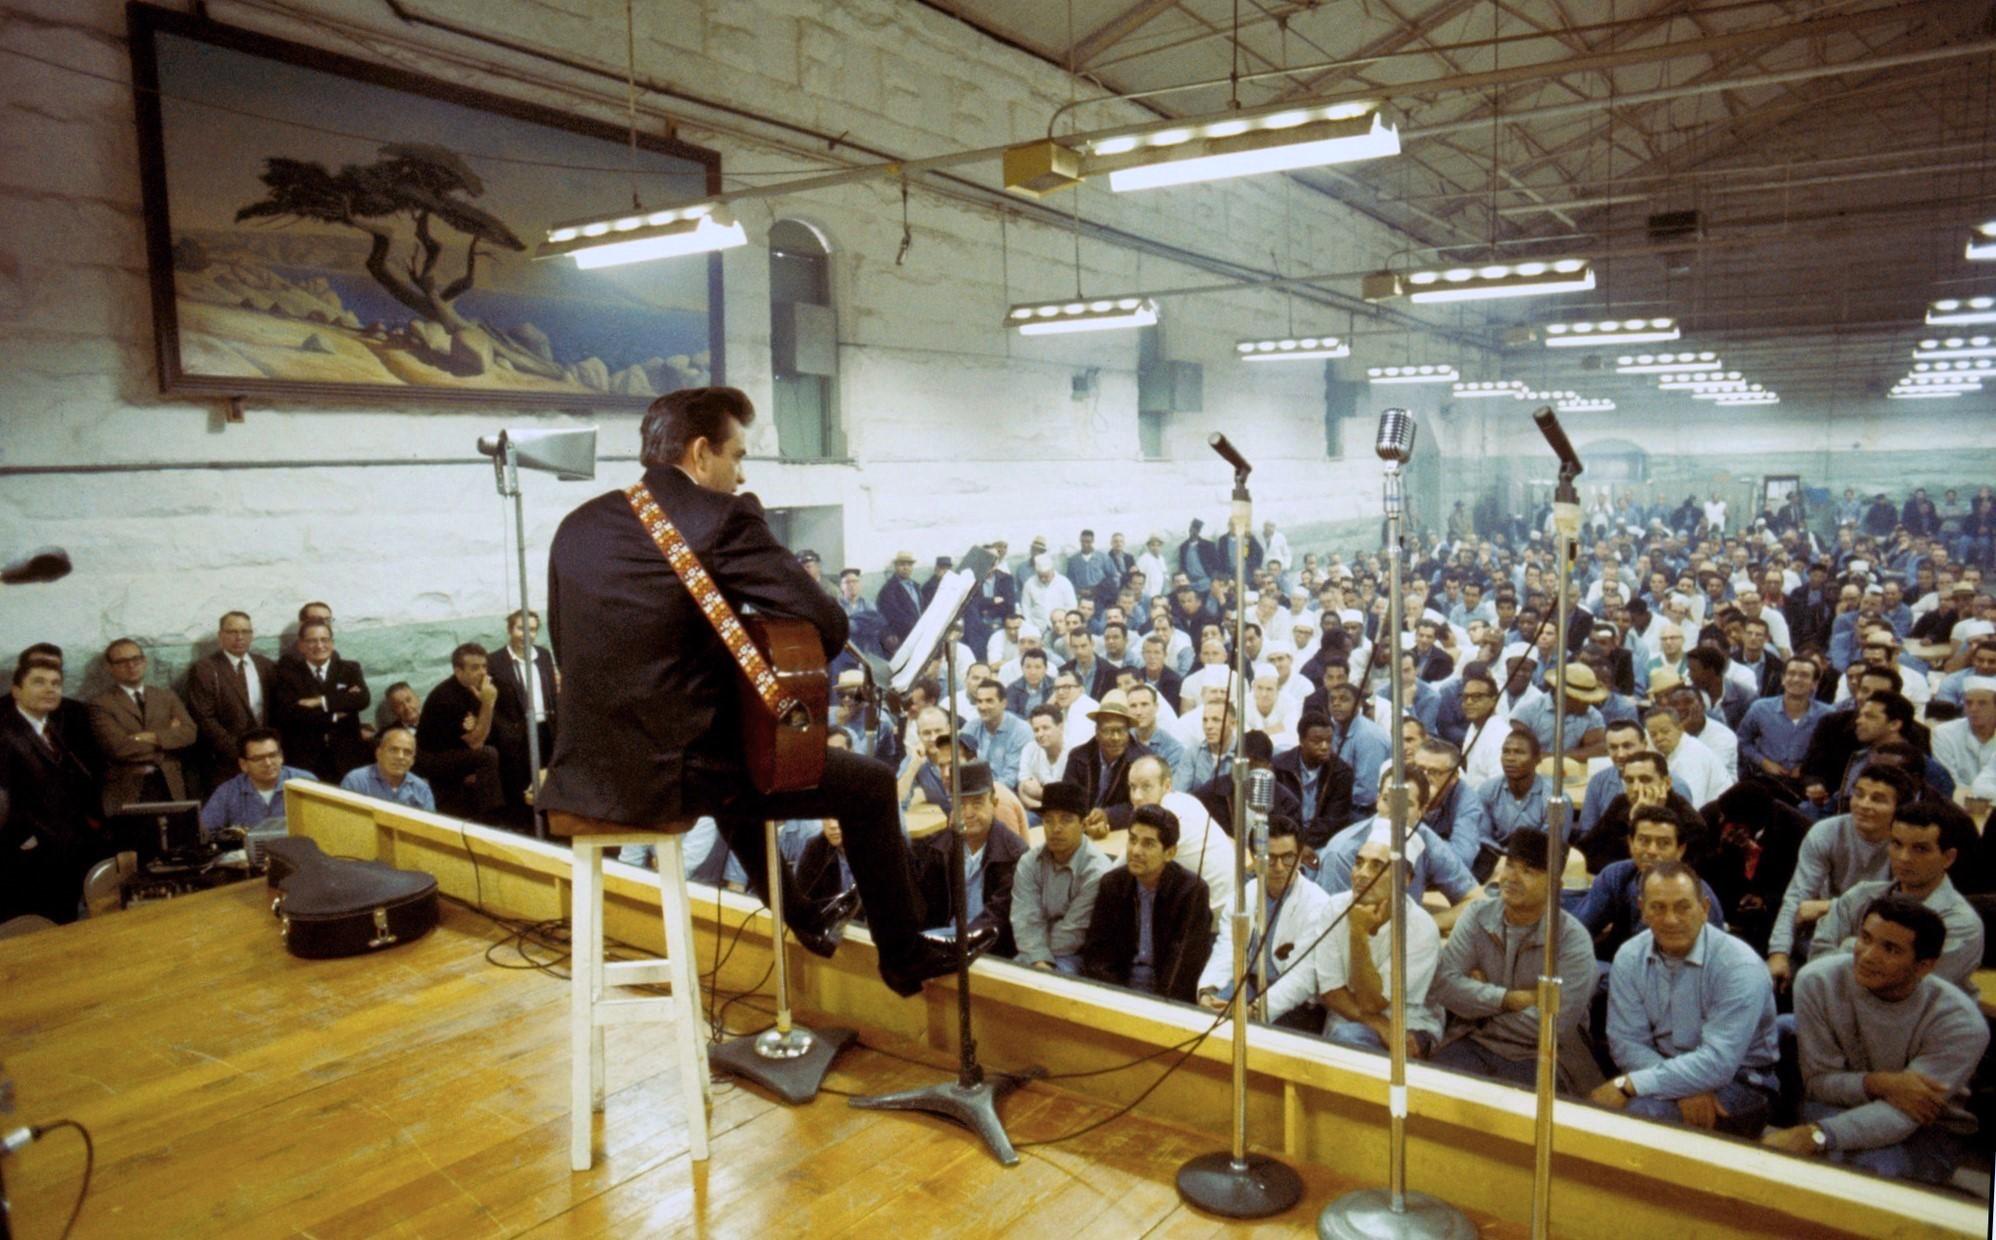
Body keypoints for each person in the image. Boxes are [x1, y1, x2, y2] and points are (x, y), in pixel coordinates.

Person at [538, 387, 970, 998]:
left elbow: (566, 642)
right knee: (869, 785)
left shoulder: (578, 525)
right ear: (699, 452)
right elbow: (828, 623)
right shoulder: (723, 517)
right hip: (672, 774)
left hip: (590, 766)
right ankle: (903, 956)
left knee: (738, 761)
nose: (740, 473)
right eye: (736, 456)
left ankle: (803, 914)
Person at [1763, 897, 1988, 1183]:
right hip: (1838, 1105)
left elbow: (1909, 1112)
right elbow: (1818, 1083)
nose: (1868, 955)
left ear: (1924, 966)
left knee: (1863, 1174)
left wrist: (1818, 1135)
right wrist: (1879, 1083)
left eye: (1890, 949)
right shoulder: (1817, 981)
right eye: (1865, 938)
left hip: (1926, 1130)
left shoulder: (1961, 1023)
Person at [1594, 861, 1780, 1137]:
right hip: (1662, 1064)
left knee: (1643, 1116)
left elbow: (1718, 1063)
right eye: (1658, 907)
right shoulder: (1629, 955)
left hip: (1740, 1080)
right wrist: (1676, 1085)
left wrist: (1633, 1084)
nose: (1670, 919)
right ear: (1642, 909)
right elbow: (1626, 1043)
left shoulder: (1740, 966)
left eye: (1683, 907)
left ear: (1704, 909)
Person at [1430, 828, 1597, 1088]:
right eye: (1510, 866)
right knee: (1436, 1089)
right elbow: (1444, 987)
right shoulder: (1476, 915)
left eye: (1528, 871)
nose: (1512, 878)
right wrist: (1508, 999)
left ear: (1555, 886)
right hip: (1473, 1040)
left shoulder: (1572, 940)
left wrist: (1479, 1006)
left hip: (1545, 1054)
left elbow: (1554, 1026)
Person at [1262, 818, 1440, 1052]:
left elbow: (1372, 1002)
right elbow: (1331, 991)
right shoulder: (1335, 908)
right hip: (1347, 1021)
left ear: (1404, 880)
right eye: (1359, 863)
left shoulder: (1422, 929)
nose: (1362, 874)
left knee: (1348, 1040)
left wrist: (1358, 933)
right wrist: (1376, 1023)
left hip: (1407, 1026)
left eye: (1377, 866)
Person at [1804, 801, 1984, 994]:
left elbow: (1906, 993)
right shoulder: (1861, 895)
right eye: (1897, 844)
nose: (1904, 857)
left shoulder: (1961, 924)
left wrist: (1849, 945)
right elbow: (1817, 963)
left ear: (1948, 858)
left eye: (1920, 849)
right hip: (1838, 1013)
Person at [1766, 763, 1915, 990]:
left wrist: (1828, 906)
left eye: (1877, 799)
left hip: (1881, 942)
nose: (1864, 805)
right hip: (1822, 935)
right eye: (1859, 795)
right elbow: (1797, 897)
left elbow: (1902, 906)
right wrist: (1778, 953)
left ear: (1898, 808)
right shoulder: (1826, 832)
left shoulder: (1907, 846)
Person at [1080, 804, 1214, 1001]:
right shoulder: (1112, 884)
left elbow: (1184, 967)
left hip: (1168, 993)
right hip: (1120, 987)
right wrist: (1115, 999)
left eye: (1148, 844)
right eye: (1132, 840)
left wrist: (1157, 1006)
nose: (1135, 851)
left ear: (1170, 852)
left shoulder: (1192, 892)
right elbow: (1098, 954)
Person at [0, 657, 99, 924]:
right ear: (17, 691)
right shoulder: (5, 733)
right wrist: (24, 839)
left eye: (56, 683)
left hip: (62, 851)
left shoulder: (50, 728)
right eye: (39, 682)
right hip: (26, 859)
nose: (50, 689)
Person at [1574, 804, 1728, 963]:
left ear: (1680, 850)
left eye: (1663, 843)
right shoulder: (1616, 875)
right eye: (1644, 841)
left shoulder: (1696, 894)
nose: (1652, 851)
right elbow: (1578, 930)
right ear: (1630, 843)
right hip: (1618, 968)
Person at [913, 760, 1025, 958]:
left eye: (977, 803)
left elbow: (998, 917)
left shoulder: (1015, 854)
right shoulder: (939, 846)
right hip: (943, 939)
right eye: (960, 804)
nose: (969, 813)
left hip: (989, 947)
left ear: (994, 802)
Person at [89, 638, 198, 814]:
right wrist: (168, 737)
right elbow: (119, 748)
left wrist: (148, 737)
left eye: (136, 659)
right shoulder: (101, 704)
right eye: (122, 661)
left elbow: (190, 733)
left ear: (144, 661)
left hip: (170, 784)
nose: (131, 665)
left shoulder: (166, 696)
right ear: (110, 667)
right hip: (128, 789)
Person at [1010, 780, 1109, 974]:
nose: (1056, 828)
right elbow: (1025, 918)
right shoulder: (1029, 861)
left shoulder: (1097, 872)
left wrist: (1037, 958)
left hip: (1074, 956)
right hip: (1031, 949)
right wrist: (1037, 959)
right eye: (1048, 820)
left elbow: (1073, 932)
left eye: (1066, 820)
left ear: (1083, 824)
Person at [413, 643, 507, 823]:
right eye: (474, 668)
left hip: (457, 749)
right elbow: (476, 743)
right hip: (431, 757)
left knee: (504, 741)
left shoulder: (474, 688)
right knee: (488, 755)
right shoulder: (448, 698)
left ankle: (512, 810)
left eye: (484, 666)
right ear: (458, 671)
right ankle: (492, 818)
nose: (482, 672)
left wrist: (487, 704)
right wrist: (488, 704)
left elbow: (484, 730)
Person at [183, 610, 274, 791]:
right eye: (232, 632)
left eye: (245, 632)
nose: (239, 637)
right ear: (220, 635)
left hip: (265, 759)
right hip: (225, 762)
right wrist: (241, 753)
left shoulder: (265, 665)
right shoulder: (206, 669)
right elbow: (204, 718)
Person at [270, 619, 371, 781]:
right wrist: (335, 714)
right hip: (307, 758)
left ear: (332, 643)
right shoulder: (288, 675)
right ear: (301, 645)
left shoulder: (349, 669)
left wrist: (320, 701)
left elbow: (362, 699)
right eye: (312, 641)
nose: (319, 646)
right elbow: (291, 713)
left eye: (324, 640)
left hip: (346, 756)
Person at [490, 608, 558, 821]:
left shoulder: (543, 655)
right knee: (521, 787)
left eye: (533, 630)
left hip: (545, 730)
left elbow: (550, 694)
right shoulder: (495, 661)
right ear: (510, 629)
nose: (526, 635)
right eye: (521, 628)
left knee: (546, 780)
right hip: (515, 737)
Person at [1735, 654, 1830, 798]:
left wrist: (1806, 768)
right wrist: (1763, 762)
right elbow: (1742, 741)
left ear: (1814, 683)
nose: (1796, 679)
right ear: (1783, 679)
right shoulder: (1760, 708)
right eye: (1791, 674)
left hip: (1806, 785)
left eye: (1804, 675)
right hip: (1766, 780)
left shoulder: (1827, 715)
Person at [197, 728, 314, 837]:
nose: (268, 763)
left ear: (281, 756)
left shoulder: (305, 782)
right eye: (258, 759)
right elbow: (204, 832)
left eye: (273, 755)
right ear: (243, 764)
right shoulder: (228, 792)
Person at [1270, 711, 1357, 849]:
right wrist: (1294, 844)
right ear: (1301, 741)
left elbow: (1334, 820)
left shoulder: (1341, 772)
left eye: (1329, 740)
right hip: (1284, 839)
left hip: (1324, 842)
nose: (1324, 746)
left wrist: (1304, 845)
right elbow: (1276, 814)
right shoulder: (1278, 767)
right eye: (1317, 741)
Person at [1509, 663, 1608, 760]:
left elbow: (1598, 751)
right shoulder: (1527, 711)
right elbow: (1520, 751)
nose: (1589, 702)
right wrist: (1576, 755)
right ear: (1565, 696)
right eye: (1584, 699)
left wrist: (1554, 758)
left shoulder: (1592, 715)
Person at [339, 726, 436, 812]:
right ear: (379, 753)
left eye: (407, 752)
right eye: (394, 750)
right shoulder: (356, 781)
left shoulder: (422, 789)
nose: (400, 757)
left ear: (412, 760)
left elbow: (430, 830)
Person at [961, 679, 1033, 792]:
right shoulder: (971, 728)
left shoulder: (1020, 730)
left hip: (1010, 796)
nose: (983, 707)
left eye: (989, 701)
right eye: (979, 701)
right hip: (975, 794)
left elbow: (1011, 779)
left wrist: (983, 794)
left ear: (1004, 703)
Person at [1930, 676, 1996, 797]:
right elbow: (1947, 781)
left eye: (1982, 703)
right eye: (1968, 703)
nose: (1973, 709)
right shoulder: (1944, 733)